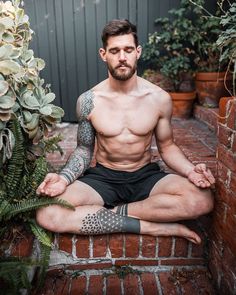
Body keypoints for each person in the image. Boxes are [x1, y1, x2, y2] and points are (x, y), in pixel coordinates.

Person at [36, 19, 215, 244]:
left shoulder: (159, 99)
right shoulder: (89, 101)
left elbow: (167, 147)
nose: (122, 57)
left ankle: (115, 213)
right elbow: (84, 150)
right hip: (103, 178)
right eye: (115, 51)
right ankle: (150, 226)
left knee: (202, 200)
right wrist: (64, 178)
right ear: (104, 54)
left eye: (128, 50)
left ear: (138, 52)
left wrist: (191, 172)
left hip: (145, 177)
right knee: (47, 212)